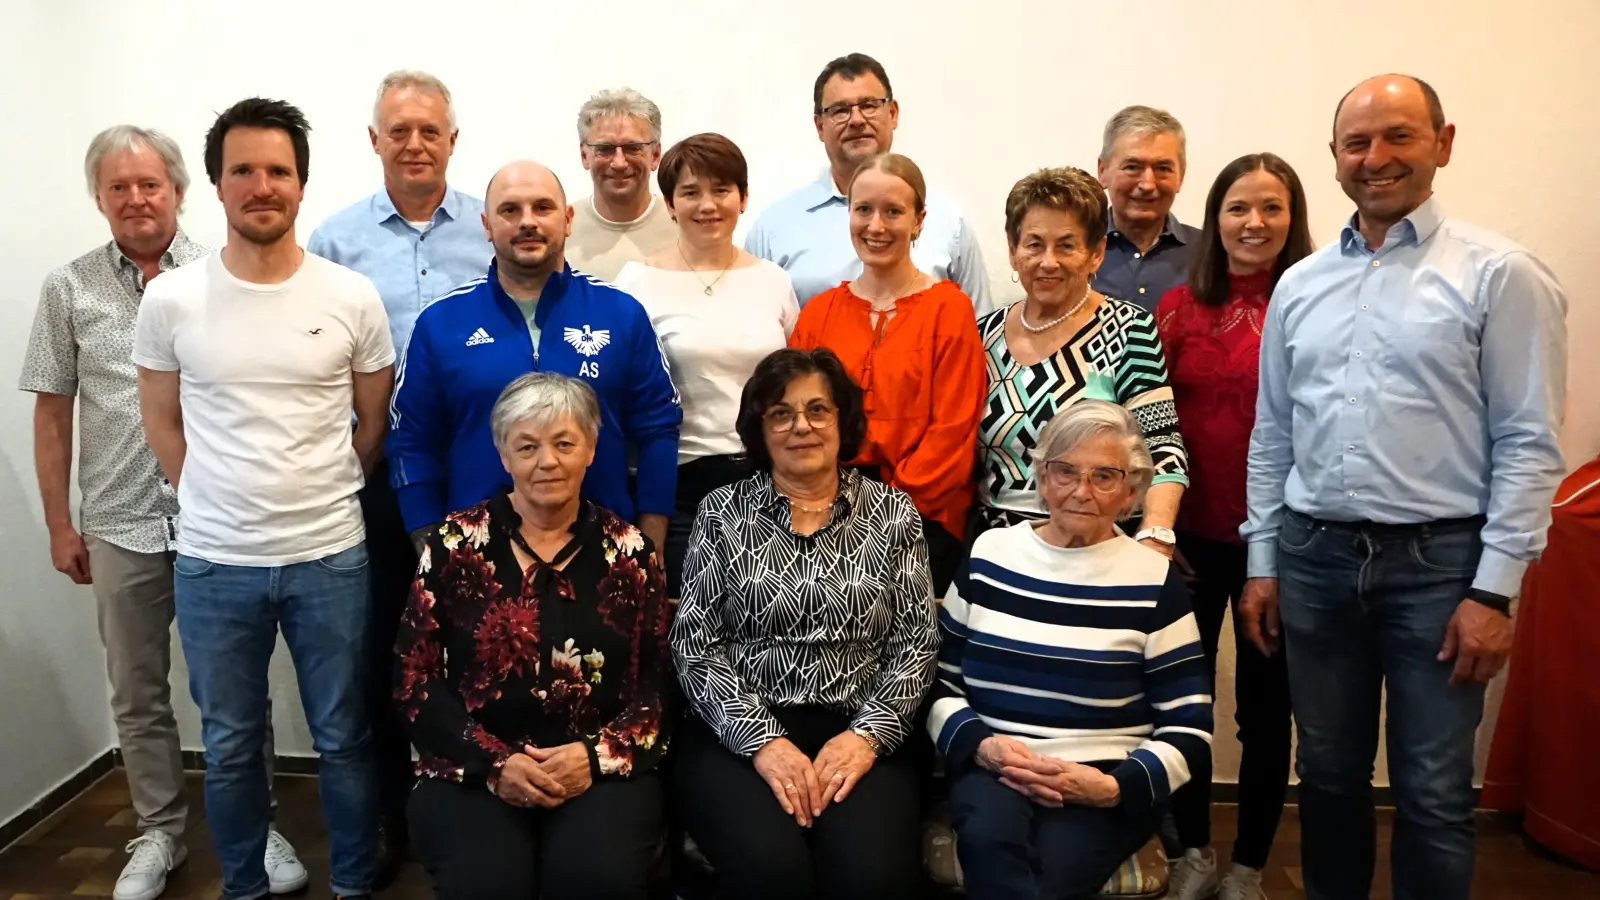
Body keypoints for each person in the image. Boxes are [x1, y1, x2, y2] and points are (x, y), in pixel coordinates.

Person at [1240, 74, 1569, 900]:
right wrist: (1263, 562)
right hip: (1314, 561)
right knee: (1327, 780)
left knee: (1428, 790)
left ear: (1443, 144)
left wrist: (1493, 594)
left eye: (1399, 137)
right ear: (1336, 159)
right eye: (1358, 143)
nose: (1376, 159)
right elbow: (1274, 433)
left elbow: (1528, 443)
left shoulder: (1501, 274)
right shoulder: (1301, 284)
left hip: (1441, 566)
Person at [19, 126, 305, 900]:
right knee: (137, 689)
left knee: (236, 689)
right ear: (100, 198)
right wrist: (58, 522)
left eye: (151, 185)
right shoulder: (68, 288)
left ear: (181, 192)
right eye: (119, 187)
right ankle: (158, 832)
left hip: (221, 520)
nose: (136, 199)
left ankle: (257, 820)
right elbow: (52, 415)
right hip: (120, 521)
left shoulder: (226, 278)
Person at [132, 98, 394, 900]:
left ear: (301, 185)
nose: (261, 185)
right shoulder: (171, 299)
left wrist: (318, 487)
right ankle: (241, 887)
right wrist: (215, 497)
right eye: (243, 169)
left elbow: (372, 420)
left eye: (278, 170)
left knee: (346, 738)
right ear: (216, 184)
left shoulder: (350, 295)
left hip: (330, 557)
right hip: (215, 564)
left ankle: (353, 883)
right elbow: (162, 424)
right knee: (233, 744)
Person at [305, 69, 491, 881]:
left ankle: (483, 801)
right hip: (377, 474)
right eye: (399, 130)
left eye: (430, 130)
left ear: (453, 139)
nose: (415, 143)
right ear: (374, 140)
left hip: (485, 473)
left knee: (486, 644)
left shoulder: (492, 224)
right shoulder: (336, 240)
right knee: (384, 642)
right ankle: (389, 815)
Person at [670, 347, 939, 899]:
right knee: (773, 873)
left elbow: (916, 641)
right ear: (759, 428)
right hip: (737, 735)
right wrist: (762, 741)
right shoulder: (721, 513)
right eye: (781, 414)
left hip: (861, 729)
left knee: (872, 879)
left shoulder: (894, 513)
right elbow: (695, 645)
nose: (802, 427)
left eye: (818, 410)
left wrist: (866, 738)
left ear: (843, 419)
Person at [396, 373, 674, 900]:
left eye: (564, 443)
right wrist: (496, 762)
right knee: (489, 886)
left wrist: (593, 757)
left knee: (594, 882)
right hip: (472, 771)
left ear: (590, 449)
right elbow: (414, 680)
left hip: (602, 770)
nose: (547, 461)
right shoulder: (453, 544)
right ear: (503, 455)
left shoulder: (631, 550)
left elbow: (659, 682)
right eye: (527, 446)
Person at [932, 400, 1213, 900]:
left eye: (1104, 476)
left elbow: (1189, 725)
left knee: (1048, 878)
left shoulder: (1152, 580)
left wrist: (1114, 788)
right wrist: (983, 746)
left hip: (1103, 778)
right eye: (1065, 472)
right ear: (1041, 479)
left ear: (1131, 493)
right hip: (997, 764)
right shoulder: (990, 555)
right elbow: (941, 684)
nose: (1082, 491)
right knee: (990, 843)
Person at [1155, 153, 1314, 900]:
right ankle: (1191, 854)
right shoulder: (1179, 307)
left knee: (1265, 708)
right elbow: (1152, 429)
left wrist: (1277, 549)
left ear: (1294, 217)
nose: (1255, 224)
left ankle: (1249, 865)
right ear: (1212, 220)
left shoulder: (1316, 300)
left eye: (1272, 208)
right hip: (1188, 543)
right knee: (1186, 704)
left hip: (1278, 546)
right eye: (1238, 208)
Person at [387, 160, 681, 558]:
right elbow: (410, 439)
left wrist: (652, 534)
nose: (527, 222)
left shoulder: (622, 314)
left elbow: (658, 428)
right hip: (475, 555)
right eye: (510, 210)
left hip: (604, 551)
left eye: (543, 208)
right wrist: (428, 540)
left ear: (568, 218)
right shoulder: (440, 323)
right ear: (486, 225)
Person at [787, 152, 983, 597]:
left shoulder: (949, 310)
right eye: (864, 210)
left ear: (919, 221)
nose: (876, 226)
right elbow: (793, 420)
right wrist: (826, 507)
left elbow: (953, 432)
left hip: (923, 522)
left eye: (893, 212)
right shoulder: (818, 314)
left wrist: (881, 518)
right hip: (822, 515)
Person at [613, 133, 799, 596]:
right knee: (683, 621)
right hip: (676, 488)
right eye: (691, 192)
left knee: (763, 620)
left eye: (721, 190)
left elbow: (794, 384)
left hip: (766, 484)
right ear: (670, 204)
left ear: (743, 197)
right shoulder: (636, 282)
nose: (707, 205)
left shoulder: (772, 280)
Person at [976, 166, 1187, 560]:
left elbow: (1163, 447)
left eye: (1066, 246)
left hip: (1098, 547)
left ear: (1096, 253)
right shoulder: (981, 335)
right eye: (1034, 244)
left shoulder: (1130, 329)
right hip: (998, 549)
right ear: (1012, 250)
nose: (1048, 261)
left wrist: (1155, 537)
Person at [745, 52, 992, 313]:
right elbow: (757, 334)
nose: (856, 120)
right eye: (840, 110)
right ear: (819, 126)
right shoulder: (774, 229)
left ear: (893, 113)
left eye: (869, 105)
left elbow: (978, 327)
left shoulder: (949, 220)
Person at [1092, 106, 1201, 312]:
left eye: (1163, 169)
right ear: (1102, 170)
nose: (1147, 184)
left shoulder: (1209, 254)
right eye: (1132, 167)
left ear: (1181, 176)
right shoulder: (1074, 251)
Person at [566, 88, 676, 281]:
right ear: (585, 156)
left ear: (656, 155)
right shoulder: (560, 232)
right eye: (604, 149)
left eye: (633, 148)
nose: (619, 163)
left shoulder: (685, 228)